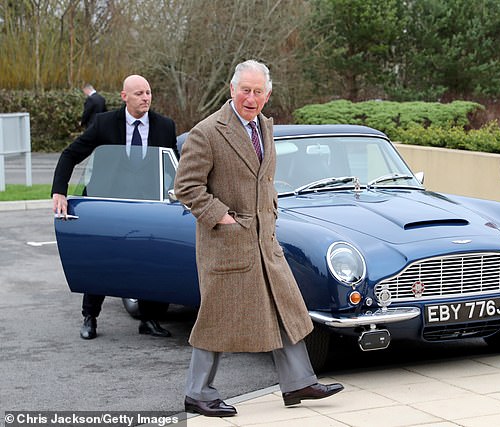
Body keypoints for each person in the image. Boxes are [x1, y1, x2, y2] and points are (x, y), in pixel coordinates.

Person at [174, 60, 343, 418]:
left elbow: (263, 181)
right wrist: (222, 217)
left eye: (258, 91)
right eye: (245, 90)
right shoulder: (206, 132)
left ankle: (298, 381)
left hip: (266, 242)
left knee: (285, 309)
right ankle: (198, 393)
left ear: (268, 94)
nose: (251, 98)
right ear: (231, 89)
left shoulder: (265, 127)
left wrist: (272, 211)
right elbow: (186, 187)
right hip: (227, 246)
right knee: (216, 320)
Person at [52, 75, 178, 340]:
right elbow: (70, 154)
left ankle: (149, 319)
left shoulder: (165, 126)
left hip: (147, 206)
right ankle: (90, 317)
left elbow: (175, 166)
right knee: (102, 260)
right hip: (106, 206)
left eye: (148, 92)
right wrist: (59, 192)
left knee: (148, 260)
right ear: (124, 97)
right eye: (139, 94)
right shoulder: (104, 123)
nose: (146, 98)